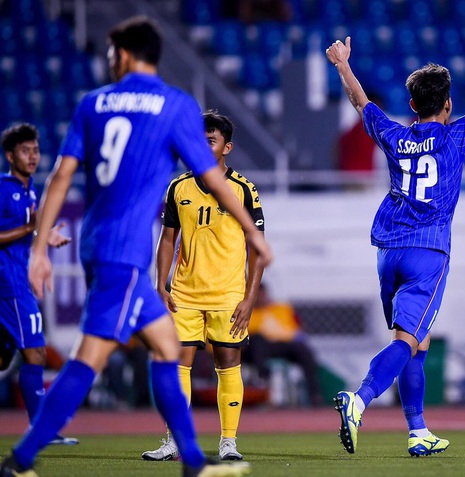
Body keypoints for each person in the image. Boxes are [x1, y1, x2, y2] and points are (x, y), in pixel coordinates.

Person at [0, 16, 271, 477]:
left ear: (124, 55)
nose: (109, 60)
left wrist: (42, 246)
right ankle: (20, 460)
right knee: (90, 357)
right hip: (122, 255)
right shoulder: (174, 104)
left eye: (110, 53)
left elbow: (62, 177)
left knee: (168, 349)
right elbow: (212, 178)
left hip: (103, 247)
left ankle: (192, 462)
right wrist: (256, 237)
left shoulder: (93, 104)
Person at [325, 23, 465, 457]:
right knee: (407, 342)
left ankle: (418, 431)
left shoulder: (394, 135)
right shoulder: (455, 135)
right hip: (428, 251)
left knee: (416, 344)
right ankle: (360, 398)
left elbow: (360, 101)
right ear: (447, 104)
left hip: (388, 251)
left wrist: (344, 66)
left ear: (411, 106)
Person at [142, 110, 265, 462]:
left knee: (227, 363)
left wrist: (249, 297)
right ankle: (174, 439)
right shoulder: (178, 187)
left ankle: (228, 442)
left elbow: (257, 247)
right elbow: (167, 239)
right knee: (176, 364)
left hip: (228, 294)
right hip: (184, 294)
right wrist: (160, 284)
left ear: (227, 147)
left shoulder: (243, 189)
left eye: (209, 140)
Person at [0, 123, 78, 447]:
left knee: (3, 360)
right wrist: (31, 229)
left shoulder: (30, 189)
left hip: (16, 280)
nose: (32, 156)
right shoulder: (5, 189)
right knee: (35, 353)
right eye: (25, 151)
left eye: (35, 150)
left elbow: (27, 229)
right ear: (9, 155)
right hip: (11, 283)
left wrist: (44, 235)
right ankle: (40, 429)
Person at [246, 283, 323, 407]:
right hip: (258, 347)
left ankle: (315, 394)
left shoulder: (282, 309)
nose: (259, 298)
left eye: (261, 294)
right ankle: (263, 384)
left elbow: (298, 329)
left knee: (303, 350)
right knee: (257, 341)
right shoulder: (247, 312)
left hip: (283, 344)